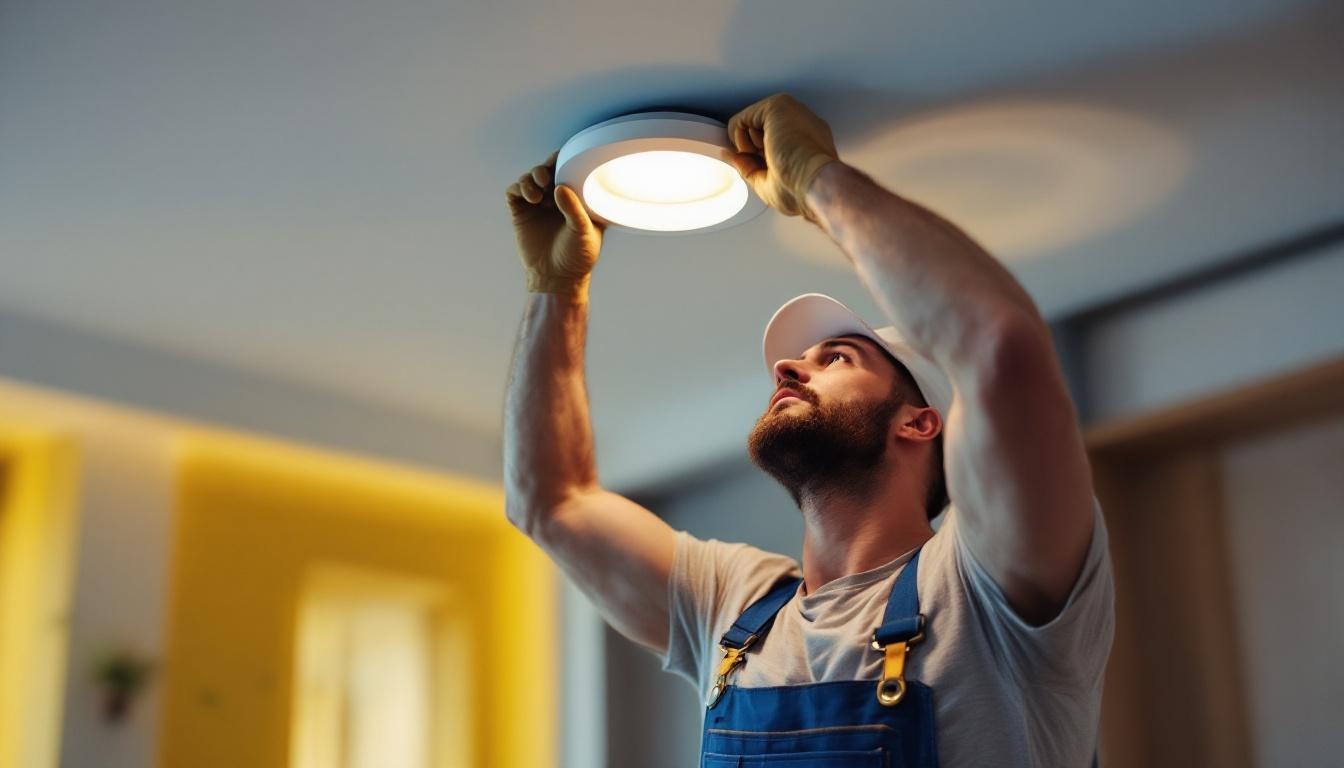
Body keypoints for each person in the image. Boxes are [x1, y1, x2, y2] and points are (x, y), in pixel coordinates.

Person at [503, 93, 1114, 767]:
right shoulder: (734, 605)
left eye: (838, 357)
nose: (789, 366)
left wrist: (818, 179)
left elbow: (998, 345)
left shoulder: (987, 586)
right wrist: (555, 289)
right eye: (801, 358)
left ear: (920, 421)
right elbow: (552, 501)